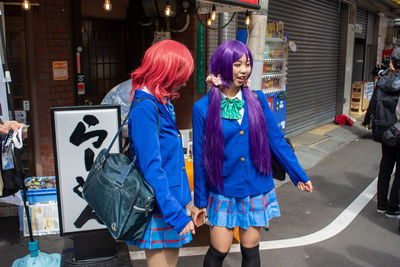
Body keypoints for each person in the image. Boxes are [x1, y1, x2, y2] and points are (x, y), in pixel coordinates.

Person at [191, 40, 312, 267]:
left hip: (256, 187)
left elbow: (277, 142)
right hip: (223, 188)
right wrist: (199, 201)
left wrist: (298, 174)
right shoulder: (202, 108)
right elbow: (200, 159)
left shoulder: (256, 100)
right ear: (222, 65)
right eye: (237, 64)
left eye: (247, 64)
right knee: (219, 251)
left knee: (251, 251)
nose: (244, 70)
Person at [125, 40, 195, 267]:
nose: (184, 81)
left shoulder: (160, 102)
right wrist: (176, 213)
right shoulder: (146, 107)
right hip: (160, 204)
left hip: (169, 201)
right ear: (165, 69)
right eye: (181, 73)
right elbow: (152, 167)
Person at [363, 48, 400, 219]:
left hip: (385, 131)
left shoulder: (383, 81)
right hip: (398, 130)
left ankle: (381, 205)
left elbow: (373, 104)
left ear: (392, 62)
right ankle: (393, 208)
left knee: (385, 167)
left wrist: (368, 121)